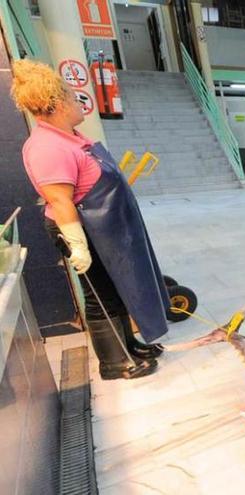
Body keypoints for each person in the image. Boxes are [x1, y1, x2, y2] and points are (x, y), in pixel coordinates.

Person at [11, 59, 168, 380]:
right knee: (99, 294)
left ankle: (128, 345)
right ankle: (113, 362)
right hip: (81, 231)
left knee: (114, 287)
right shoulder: (47, 147)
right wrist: (77, 246)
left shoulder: (73, 138)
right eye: (71, 96)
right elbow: (59, 199)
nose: (78, 101)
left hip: (104, 230)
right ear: (55, 104)